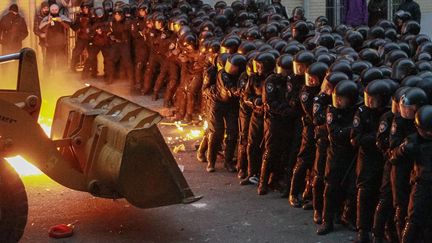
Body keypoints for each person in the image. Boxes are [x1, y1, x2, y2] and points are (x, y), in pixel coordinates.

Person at [39, 4, 71, 75]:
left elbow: (68, 26)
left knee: (61, 61)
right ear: (50, 10)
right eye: (52, 10)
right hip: (50, 44)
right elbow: (40, 27)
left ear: (58, 10)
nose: (54, 11)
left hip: (61, 43)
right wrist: (48, 22)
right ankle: (46, 77)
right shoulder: (47, 18)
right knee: (48, 62)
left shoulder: (62, 17)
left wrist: (61, 21)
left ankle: (61, 77)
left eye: (56, 10)